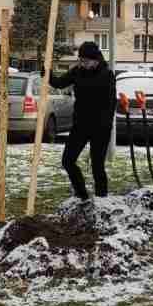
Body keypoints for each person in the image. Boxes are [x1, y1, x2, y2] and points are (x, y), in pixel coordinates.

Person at [48, 41, 116, 200]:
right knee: (68, 160)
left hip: (100, 127)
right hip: (80, 125)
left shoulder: (106, 75)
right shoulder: (77, 71)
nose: (83, 64)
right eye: (81, 60)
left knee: (97, 165)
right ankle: (82, 195)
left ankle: (102, 198)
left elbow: (111, 103)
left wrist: (106, 124)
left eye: (86, 61)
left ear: (96, 60)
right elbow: (59, 83)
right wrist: (47, 74)